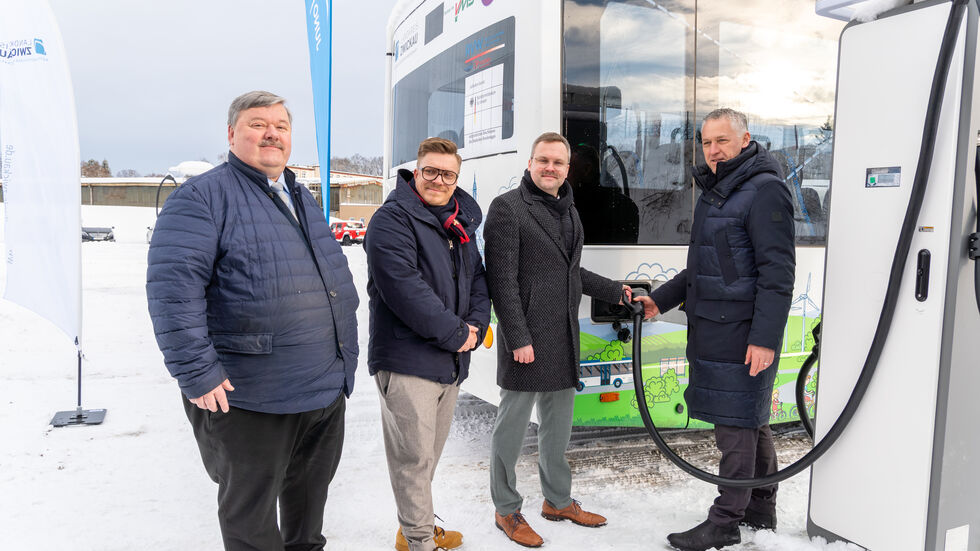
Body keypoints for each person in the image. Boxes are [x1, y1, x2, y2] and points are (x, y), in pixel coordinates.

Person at [146, 90, 359, 551]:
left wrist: (345, 358)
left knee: (308, 514)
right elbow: (172, 292)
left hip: (321, 391)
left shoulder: (299, 196)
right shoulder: (202, 199)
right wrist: (197, 373)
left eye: (281, 126)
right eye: (258, 124)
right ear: (231, 134)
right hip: (252, 398)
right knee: (252, 522)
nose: (272, 133)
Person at [633, 108, 795, 551]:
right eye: (706, 142)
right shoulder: (719, 190)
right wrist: (659, 300)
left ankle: (725, 520)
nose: (713, 150)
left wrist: (764, 338)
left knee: (734, 426)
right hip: (715, 329)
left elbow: (777, 274)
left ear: (746, 140)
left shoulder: (764, 191)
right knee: (750, 419)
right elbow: (700, 267)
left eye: (722, 141)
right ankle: (760, 506)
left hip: (741, 333)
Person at [483, 132, 631, 547]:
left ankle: (558, 500)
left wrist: (615, 290)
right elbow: (502, 282)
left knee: (557, 429)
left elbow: (572, 272)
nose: (551, 168)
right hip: (526, 340)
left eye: (558, 163)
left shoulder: (570, 211)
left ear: (568, 169)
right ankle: (506, 509)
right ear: (530, 163)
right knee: (510, 430)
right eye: (543, 160)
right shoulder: (508, 209)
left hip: (564, 336)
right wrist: (517, 337)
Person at [365, 137, 491, 551]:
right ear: (415, 172)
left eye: (448, 174)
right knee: (413, 462)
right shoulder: (391, 221)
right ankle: (419, 541)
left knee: (426, 460)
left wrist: (475, 324)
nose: (438, 180)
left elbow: (477, 281)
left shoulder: (459, 225)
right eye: (430, 171)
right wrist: (458, 334)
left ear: (457, 178)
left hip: (448, 362)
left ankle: (410, 529)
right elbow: (405, 289)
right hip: (407, 359)